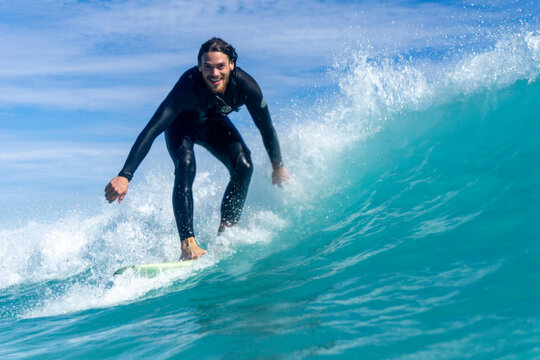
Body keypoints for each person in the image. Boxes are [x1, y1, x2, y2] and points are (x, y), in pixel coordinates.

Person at [105, 37, 290, 260]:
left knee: (244, 165)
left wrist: (277, 165)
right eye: (208, 67)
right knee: (186, 164)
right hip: (180, 128)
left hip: (213, 125)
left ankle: (225, 235)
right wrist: (126, 175)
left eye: (220, 66)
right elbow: (152, 129)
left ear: (231, 64)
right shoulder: (187, 87)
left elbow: (266, 127)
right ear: (199, 67)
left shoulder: (246, 86)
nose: (214, 73)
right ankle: (187, 243)